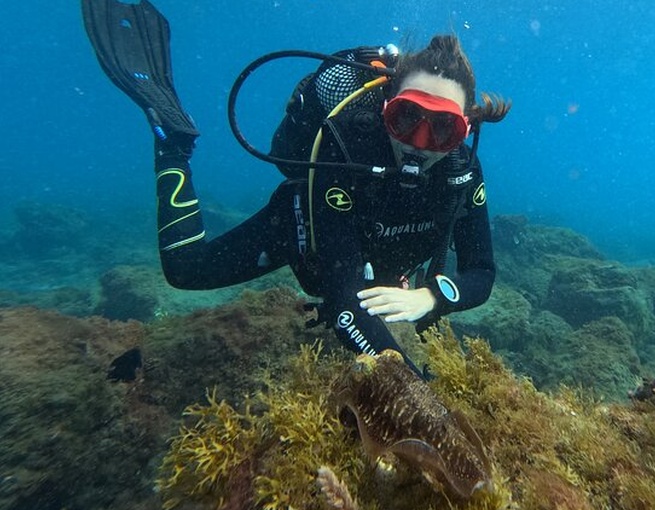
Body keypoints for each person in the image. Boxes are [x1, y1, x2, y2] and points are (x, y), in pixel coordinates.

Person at [82, 0, 510, 375]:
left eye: (443, 129)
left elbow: (481, 272)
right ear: (385, 109)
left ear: (466, 128)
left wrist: (431, 298)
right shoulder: (345, 148)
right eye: (406, 118)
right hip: (301, 234)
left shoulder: (462, 172)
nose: (419, 143)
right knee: (185, 269)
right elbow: (345, 303)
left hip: (377, 271)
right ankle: (173, 146)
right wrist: (417, 397)